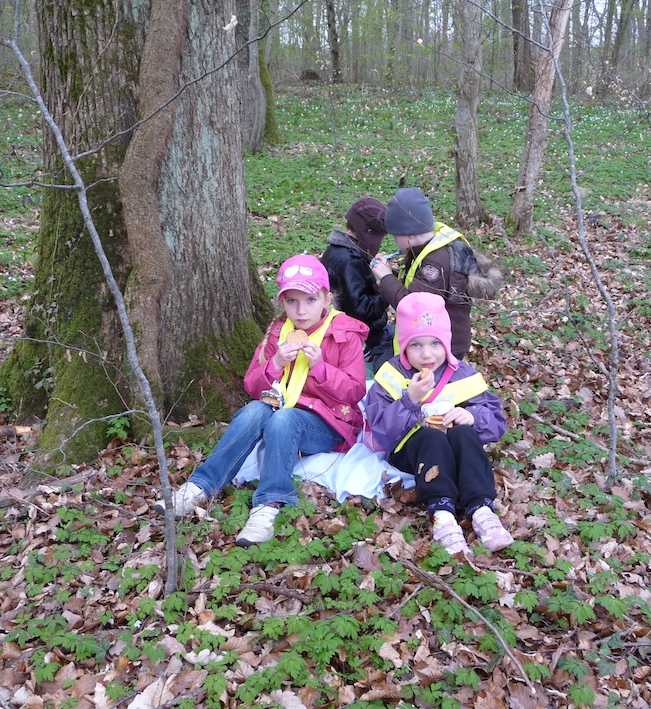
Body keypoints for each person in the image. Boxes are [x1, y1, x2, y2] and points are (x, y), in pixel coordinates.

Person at [156, 254, 368, 546]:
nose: (301, 310)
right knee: (254, 411)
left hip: (328, 423)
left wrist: (321, 369)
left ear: (326, 299)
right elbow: (252, 385)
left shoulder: (344, 334)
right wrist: (276, 364)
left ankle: (269, 505)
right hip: (281, 408)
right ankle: (200, 486)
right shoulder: (280, 331)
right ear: (282, 303)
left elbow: (356, 391)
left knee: (284, 419)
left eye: (309, 300)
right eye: (292, 301)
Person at [363, 292, 513, 556]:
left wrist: (473, 417)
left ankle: (481, 507)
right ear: (404, 346)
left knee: (465, 434)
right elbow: (382, 430)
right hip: (411, 449)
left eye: (435, 343)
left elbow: (496, 420)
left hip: (455, 449)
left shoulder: (462, 374)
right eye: (416, 345)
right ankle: (442, 512)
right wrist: (410, 400)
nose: (427, 354)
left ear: (446, 342)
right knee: (432, 437)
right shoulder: (392, 374)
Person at [370, 187, 472, 360]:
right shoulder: (433, 244)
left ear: (407, 235)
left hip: (442, 347)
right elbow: (418, 282)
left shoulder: (435, 263)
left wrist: (386, 277)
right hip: (438, 340)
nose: (395, 241)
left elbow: (412, 305)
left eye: (395, 236)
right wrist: (393, 274)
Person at [320, 196, 393, 371]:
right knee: (398, 347)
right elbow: (360, 307)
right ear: (368, 233)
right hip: (360, 336)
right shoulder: (350, 261)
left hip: (346, 329)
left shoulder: (336, 250)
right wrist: (386, 290)